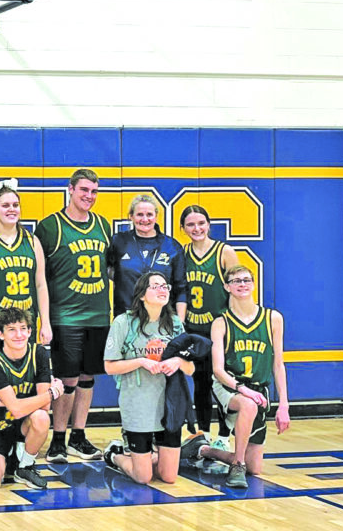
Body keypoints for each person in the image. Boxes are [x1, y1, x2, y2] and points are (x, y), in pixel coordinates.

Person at [183, 265, 290, 489]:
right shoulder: (221, 323)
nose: (242, 284)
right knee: (248, 405)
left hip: (260, 388)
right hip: (229, 386)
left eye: (246, 280)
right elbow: (218, 370)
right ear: (227, 287)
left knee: (256, 468)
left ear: (253, 283)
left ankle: (202, 449)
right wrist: (243, 389)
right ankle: (237, 465)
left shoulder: (273, 318)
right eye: (235, 281)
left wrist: (284, 406)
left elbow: (278, 364)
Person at [35, 168, 115, 464]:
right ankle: (57, 439)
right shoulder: (51, 227)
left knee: (87, 377)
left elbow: (112, 270)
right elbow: (39, 276)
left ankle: (78, 435)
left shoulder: (104, 226)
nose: (89, 196)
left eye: (94, 191)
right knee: (67, 378)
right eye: (84, 190)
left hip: (97, 315)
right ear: (70, 189)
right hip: (65, 315)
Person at [102, 272, 193, 485]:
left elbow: (190, 368)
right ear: (142, 295)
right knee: (143, 477)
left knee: (169, 477)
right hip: (138, 404)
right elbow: (109, 367)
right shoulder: (124, 322)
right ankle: (114, 455)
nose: (162, 290)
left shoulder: (175, 324)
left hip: (169, 405)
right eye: (155, 286)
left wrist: (178, 362)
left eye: (165, 286)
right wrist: (141, 361)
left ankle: (148, 455)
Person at [0, 180, 50, 410]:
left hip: (25, 326)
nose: (12, 209)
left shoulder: (31, 240)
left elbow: (41, 285)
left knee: (26, 382)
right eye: (5, 205)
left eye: (15, 204)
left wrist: (45, 323)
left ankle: (20, 440)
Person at [179, 205, 240, 439]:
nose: (197, 228)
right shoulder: (182, 254)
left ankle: (225, 436)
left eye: (201, 223)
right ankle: (202, 434)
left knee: (223, 385)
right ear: (183, 228)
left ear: (209, 224)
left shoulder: (224, 252)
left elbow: (237, 290)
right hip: (194, 331)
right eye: (191, 224)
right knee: (201, 384)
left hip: (220, 331)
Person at [0, 307, 54, 490]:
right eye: (11, 329)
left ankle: (25, 466)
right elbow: (17, 408)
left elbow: (45, 406)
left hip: (24, 426)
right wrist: (52, 393)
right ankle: (10, 455)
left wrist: (15, 402)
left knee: (42, 418)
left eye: (23, 328)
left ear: (30, 331)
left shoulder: (39, 354)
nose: (19, 335)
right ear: (1, 334)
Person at [106, 194, 187, 320]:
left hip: (162, 320)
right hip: (126, 319)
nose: (144, 219)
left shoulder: (172, 246)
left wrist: (179, 325)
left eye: (149, 215)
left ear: (156, 216)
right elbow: (106, 271)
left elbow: (180, 289)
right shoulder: (119, 242)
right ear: (131, 216)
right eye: (139, 215)